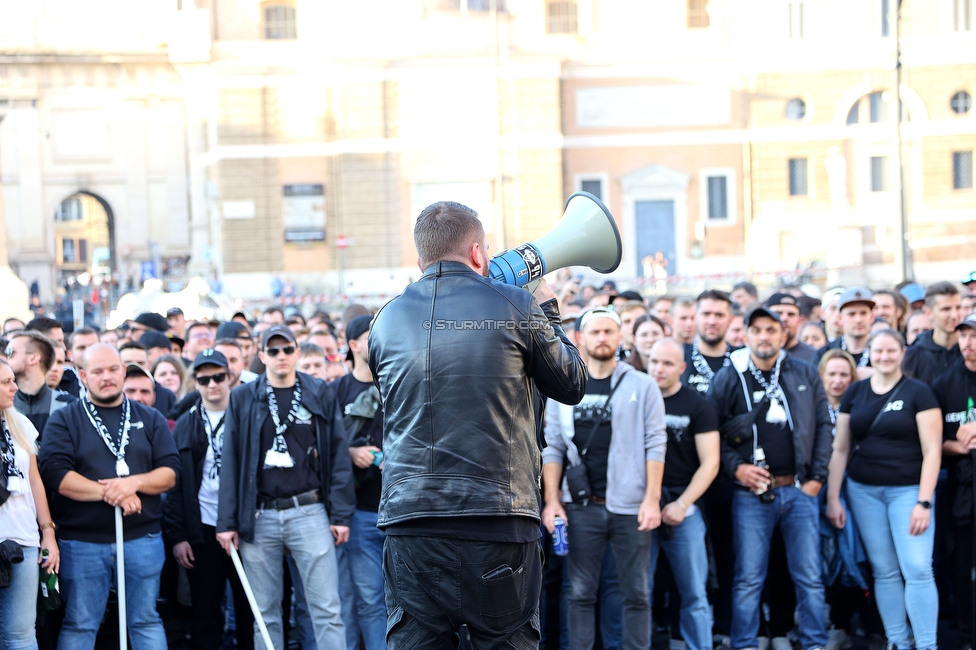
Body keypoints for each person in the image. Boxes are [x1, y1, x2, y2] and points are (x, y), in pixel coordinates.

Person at [368, 201, 587, 648]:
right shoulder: (518, 305)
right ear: (477, 253)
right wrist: (546, 310)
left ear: (420, 260)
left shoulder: (385, 319)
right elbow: (573, 382)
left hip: (411, 524)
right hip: (499, 521)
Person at [216, 324, 355, 650]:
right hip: (261, 515)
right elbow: (231, 460)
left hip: (309, 510)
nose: (281, 356)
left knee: (327, 609)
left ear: (296, 352)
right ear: (261, 355)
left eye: (287, 349)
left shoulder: (320, 392)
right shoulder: (243, 397)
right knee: (264, 612)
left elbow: (337, 455)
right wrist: (227, 522)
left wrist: (341, 515)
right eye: (273, 351)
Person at [707, 307, 833, 650]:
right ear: (745, 335)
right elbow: (709, 432)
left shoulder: (803, 370)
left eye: (771, 330)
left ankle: (815, 642)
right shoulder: (730, 375)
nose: (764, 336)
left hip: (799, 489)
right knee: (748, 578)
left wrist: (817, 478)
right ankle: (746, 643)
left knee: (809, 577)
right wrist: (736, 468)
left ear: (783, 335)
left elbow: (824, 425)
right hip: (750, 494)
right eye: (757, 330)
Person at [39, 343, 179, 649]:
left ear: (123, 371)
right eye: (98, 371)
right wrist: (114, 492)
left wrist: (134, 483)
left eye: (114, 369)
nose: (107, 377)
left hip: (142, 539)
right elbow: (56, 476)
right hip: (82, 543)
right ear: (83, 375)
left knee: (145, 620)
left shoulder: (150, 417)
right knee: (80, 625)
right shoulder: (66, 419)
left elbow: (170, 472)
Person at [541, 308, 665, 650]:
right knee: (579, 593)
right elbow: (552, 447)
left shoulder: (643, 384)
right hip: (581, 506)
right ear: (579, 338)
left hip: (631, 505)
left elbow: (656, 442)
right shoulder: (563, 388)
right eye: (594, 332)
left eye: (609, 331)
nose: (602, 338)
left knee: (636, 593)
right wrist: (552, 501)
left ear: (620, 337)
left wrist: (652, 498)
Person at [826, 329, 942, 650]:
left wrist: (924, 501)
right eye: (878, 351)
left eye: (891, 351)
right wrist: (834, 497)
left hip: (909, 491)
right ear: (870, 354)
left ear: (902, 352)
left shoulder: (920, 392)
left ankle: (927, 644)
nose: (884, 357)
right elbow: (840, 449)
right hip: (864, 492)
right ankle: (897, 641)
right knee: (884, 570)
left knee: (917, 567)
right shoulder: (855, 393)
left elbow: (933, 451)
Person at [163, 350, 254, 650]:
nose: (212, 384)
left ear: (230, 377)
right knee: (205, 610)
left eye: (218, 377)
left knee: (250, 608)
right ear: (196, 383)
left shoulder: (248, 415)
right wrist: (178, 536)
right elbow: (175, 486)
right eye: (204, 379)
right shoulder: (186, 423)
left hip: (245, 526)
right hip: (202, 528)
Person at [647, 338, 720, 650]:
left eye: (667, 363)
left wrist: (682, 503)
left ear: (682, 368)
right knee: (637, 592)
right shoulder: (636, 399)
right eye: (654, 362)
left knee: (694, 593)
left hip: (684, 508)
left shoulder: (698, 405)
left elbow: (711, 462)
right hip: (642, 507)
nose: (659, 369)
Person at [329, 314, 388, 650]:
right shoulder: (335, 391)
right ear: (353, 345)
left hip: (401, 510)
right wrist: (351, 452)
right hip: (360, 512)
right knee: (368, 600)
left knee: (410, 601)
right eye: (370, 336)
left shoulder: (397, 380)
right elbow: (323, 448)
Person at [0, 358, 60, 649]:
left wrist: (47, 532)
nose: (14, 387)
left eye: (13, 380)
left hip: (24, 539)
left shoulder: (19, 421)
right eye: (6, 382)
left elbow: (35, 481)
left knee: (21, 633)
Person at [931, 313, 976, 648]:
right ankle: (965, 634)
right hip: (961, 491)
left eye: (974, 336)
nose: (968, 343)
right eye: (963, 335)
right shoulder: (944, 383)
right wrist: (958, 445)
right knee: (961, 566)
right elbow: (932, 444)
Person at [8, 331, 76, 440]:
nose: (6, 359)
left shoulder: (69, 405)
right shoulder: (4, 405)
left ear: (33, 358)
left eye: (10, 352)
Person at [902, 281, 962, 384]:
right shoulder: (913, 355)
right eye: (946, 309)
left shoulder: (970, 348)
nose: (954, 315)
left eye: (958, 308)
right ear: (929, 313)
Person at [681, 289, 735, 395]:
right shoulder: (679, 356)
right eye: (706, 314)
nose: (712, 322)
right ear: (695, 317)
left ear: (730, 320)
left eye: (719, 315)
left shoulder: (741, 360)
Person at [815, 287, 875, 378]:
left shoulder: (884, 352)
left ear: (872, 316)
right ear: (840, 318)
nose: (858, 320)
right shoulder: (824, 354)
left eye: (863, 313)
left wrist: (880, 375)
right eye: (851, 314)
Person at [766, 293, 818, 363]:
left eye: (791, 314)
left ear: (799, 320)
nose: (784, 318)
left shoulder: (813, 356)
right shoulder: (754, 354)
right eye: (778, 313)